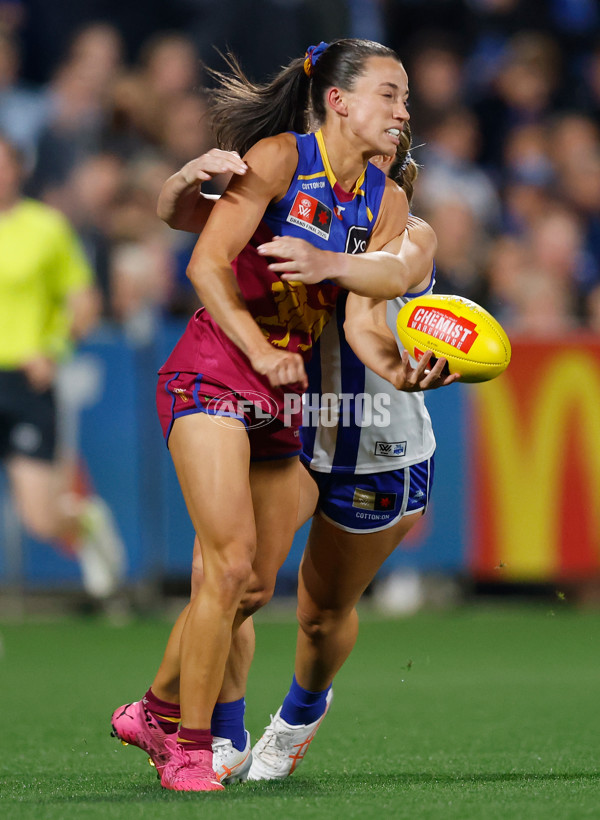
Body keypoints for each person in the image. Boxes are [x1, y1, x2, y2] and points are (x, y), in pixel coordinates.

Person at [111, 38, 430, 793]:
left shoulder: (388, 203)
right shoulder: (282, 156)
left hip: (283, 394)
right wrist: (259, 348)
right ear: (340, 100)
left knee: (252, 586)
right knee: (222, 566)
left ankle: (156, 708)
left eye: (407, 98)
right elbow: (203, 260)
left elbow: (361, 325)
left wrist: (407, 372)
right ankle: (191, 749)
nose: (403, 111)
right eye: (391, 94)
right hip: (218, 369)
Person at [0, 135, 126, 600]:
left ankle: (85, 520)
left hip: (25, 381)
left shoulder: (45, 228)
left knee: (39, 519)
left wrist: (52, 350)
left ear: (18, 170)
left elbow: (84, 301)